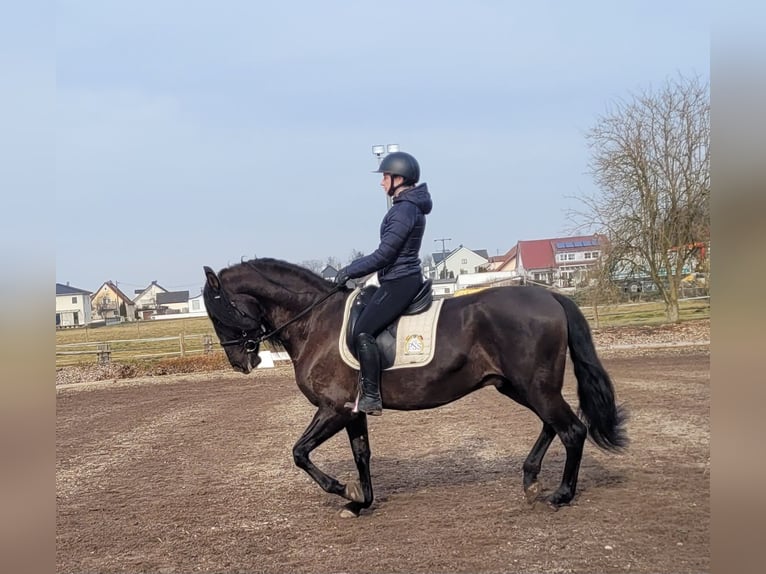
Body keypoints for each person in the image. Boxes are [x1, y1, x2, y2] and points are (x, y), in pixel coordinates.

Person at [334, 151, 433, 416]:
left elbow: (385, 254)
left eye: (385, 176)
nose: (382, 182)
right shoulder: (407, 207)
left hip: (401, 280)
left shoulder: (404, 210)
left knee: (363, 331)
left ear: (399, 178)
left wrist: (349, 270)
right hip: (398, 277)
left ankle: (371, 396)